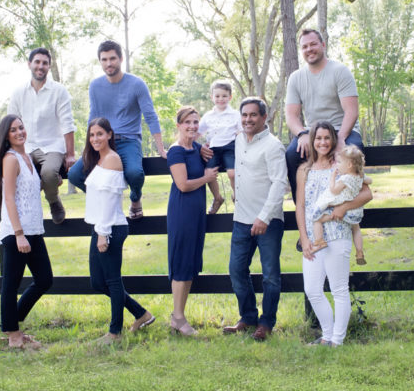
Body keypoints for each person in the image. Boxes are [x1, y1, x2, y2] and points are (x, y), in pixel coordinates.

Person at [68, 40, 166, 220]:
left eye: (112, 58)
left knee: (135, 174)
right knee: (74, 174)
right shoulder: (95, 86)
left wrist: (160, 148)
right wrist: (88, 147)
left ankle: (135, 199)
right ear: (100, 62)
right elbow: (93, 117)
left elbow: (150, 116)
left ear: (121, 59)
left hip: (129, 140)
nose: (109, 63)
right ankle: (106, 199)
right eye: (104, 60)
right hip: (103, 141)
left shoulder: (137, 84)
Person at [296, 122, 372, 347]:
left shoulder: (343, 165)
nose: (322, 142)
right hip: (314, 236)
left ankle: (337, 340)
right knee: (312, 289)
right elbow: (301, 206)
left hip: (338, 232)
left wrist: (343, 208)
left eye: (326, 138)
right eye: (318, 138)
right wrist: (304, 238)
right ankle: (327, 335)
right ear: (312, 141)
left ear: (333, 140)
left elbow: (367, 193)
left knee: (339, 288)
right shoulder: (304, 170)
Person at [82, 117, 155, 344]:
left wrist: (103, 233)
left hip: (111, 226)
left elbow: (110, 201)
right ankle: (141, 313)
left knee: (112, 281)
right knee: (98, 282)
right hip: (100, 226)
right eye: (92, 135)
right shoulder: (100, 159)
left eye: (100, 134)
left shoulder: (113, 160)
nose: (95, 138)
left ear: (110, 135)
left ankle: (114, 333)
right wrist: (99, 230)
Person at [222, 97, 288, 341]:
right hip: (241, 219)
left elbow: (280, 183)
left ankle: (267, 322)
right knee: (236, 270)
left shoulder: (273, 146)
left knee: (270, 274)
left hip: (267, 221)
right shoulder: (239, 140)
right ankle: (248, 317)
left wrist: (264, 216)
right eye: (244, 115)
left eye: (253, 115)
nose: (247, 119)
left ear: (264, 117)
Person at [0, 114, 53, 350]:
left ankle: (10, 325)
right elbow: (8, 197)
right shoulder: (10, 159)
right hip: (16, 231)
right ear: (6, 136)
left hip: (34, 229)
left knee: (45, 279)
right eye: (13, 130)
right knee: (11, 283)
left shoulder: (26, 157)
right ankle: (14, 337)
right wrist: (18, 233)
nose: (19, 132)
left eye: (21, 128)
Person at [285, 29, 363, 200]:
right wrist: (303, 134)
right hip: (314, 132)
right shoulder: (296, 78)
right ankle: (303, 207)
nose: (309, 49)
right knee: (292, 154)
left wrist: (341, 139)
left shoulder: (340, 71)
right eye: (304, 46)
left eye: (313, 44)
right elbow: (291, 115)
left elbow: (352, 111)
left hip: (342, 129)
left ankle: (350, 209)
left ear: (323, 45)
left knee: (353, 153)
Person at [166, 106, 219, 336]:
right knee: (181, 264)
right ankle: (177, 317)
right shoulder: (176, 151)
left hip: (197, 212)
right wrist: (206, 178)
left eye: (195, 122)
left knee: (190, 263)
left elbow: (212, 164)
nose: (192, 126)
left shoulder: (198, 149)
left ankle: (179, 316)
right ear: (178, 125)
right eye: (187, 122)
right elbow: (183, 184)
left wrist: (218, 197)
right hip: (182, 212)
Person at [8, 47, 75, 224]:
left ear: (49, 66)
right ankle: (23, 214)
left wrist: (70, 155)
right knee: (17, 174)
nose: (40, 66)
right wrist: (9, 153)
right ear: (29, 64)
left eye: (45, 63)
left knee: (49, 174)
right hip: (26, 147)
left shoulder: (59, 91)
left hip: (52, 146)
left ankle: (53, 201)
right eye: (37, 62)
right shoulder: (18, 93)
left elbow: (67, 124)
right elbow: (10, 124)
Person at [308, 145, 370, 265]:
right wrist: (362, 175)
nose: (337, 165)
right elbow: (370, 181)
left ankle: (320, 241)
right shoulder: (359, 176)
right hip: (355, 211)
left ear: (349, 165)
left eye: (340, 162)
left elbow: (334, 190)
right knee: (356, 229)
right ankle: (359, 252)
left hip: (341, 208)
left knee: (317, 219)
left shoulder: (345, 178)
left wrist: (332, 178)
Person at [198, 79, 242, 214]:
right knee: (208, 174)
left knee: (232, 173)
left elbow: (241, 131)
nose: (221, 99)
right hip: (213, 148)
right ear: (212, 97)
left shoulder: (235, 114)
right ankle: (218, 198)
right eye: (217, 96)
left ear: (230, 97)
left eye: (224, 96)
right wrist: (199, 146)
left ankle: (237, 196)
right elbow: (198, 132)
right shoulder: (208, 116)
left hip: (230, 146)